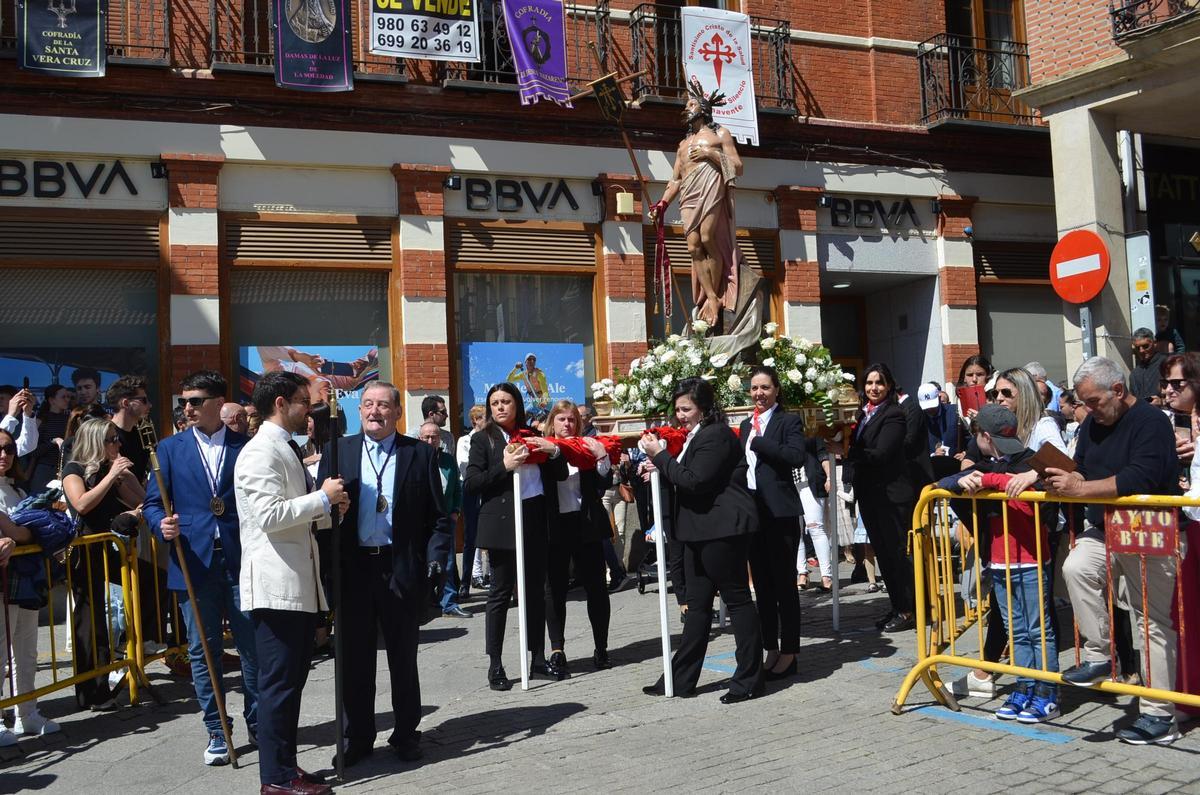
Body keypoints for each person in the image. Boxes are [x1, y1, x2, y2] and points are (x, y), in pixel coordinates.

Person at [1049, 356, 1181, 745]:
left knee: (1150, 623)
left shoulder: (1151, 422)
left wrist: (1079, 489)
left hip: (1149, 531)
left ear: (1118, 391)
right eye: (1083, 403)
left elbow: (1140, 476)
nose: (1086, 410)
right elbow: (1083, 466)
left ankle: (1159, 716)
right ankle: (1099, 655)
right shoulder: (1092, 422)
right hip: (1107, 528)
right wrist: (1062, 475)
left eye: (1092, 402)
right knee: (1075, 568)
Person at [317, 382, 448, 768]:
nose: (375, 411)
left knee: (403, 657)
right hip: (353, 569)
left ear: (397, 413)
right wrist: (326, 570)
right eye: (368, 405)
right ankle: (356, 736)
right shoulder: (337, 452)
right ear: (359, 411)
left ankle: (406, 733)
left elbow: (439, 519)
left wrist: (435, 559)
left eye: (383, 406)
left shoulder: (419, 454)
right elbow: (321, 517)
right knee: (354, 658)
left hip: (400, 567)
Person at [234, 370, 346, 794]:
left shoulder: (284, 448)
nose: (309, 409)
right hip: (275, 585)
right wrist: (322, 498)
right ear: (280, 403)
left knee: (291, 682)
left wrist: (329, 508)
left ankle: (287, 767)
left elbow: (293, 513)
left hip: (297, 583)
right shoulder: (260, 452)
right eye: (303, 400)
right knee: (278, 686)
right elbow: (270, 516)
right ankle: (276, 780)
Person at [143, 371, 258, 767]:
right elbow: (153, 503)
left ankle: (259, 724)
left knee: (251, 647)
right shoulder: (170, 449)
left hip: (242, 558)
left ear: (218, 403)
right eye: (183, 402)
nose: (186, 408)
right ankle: (217, 729)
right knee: (202, 650)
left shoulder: (247, 447)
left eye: (194, 401)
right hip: (193, 560)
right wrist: (161, 523)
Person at [640, 377, 763, 702]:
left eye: (686, 409)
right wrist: (660, 463)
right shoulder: (696, 435)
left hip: (722, 530)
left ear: (705, 409)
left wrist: (661, 457)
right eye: (677, 409)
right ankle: (680, 679)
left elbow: (695, 481)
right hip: (697, 531)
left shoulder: (717, 435)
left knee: (736, 601)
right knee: (696, 609)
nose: (680, 415)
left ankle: (749, 678)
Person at [941, 405, 1060, 723]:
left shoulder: (1030, 458)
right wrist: (962, 481)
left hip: (1032, 558)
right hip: (999, 559)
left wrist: (1002, 478)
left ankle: (1047, 693)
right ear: (982, 437)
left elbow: (1065, 465)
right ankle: (1023, 687)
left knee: (1038, 629)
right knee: (1016, 631)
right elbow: (944, 481)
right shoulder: (981, 464)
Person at [464, 382, 566, 691]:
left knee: (534, 590)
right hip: (503, 523)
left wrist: (554, 450)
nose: (500, 407)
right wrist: (504, 467)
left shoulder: (534, 434)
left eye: (506, 401)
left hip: (535, 517)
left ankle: (536, 658)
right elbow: (472, 483)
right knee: (500, 592)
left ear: (517, 404)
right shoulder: (483, 440)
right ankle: (495, 663)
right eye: (494, 402)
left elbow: (559, 474)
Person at [61, 418, 146, 710]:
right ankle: (90, 690)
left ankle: (113, 673)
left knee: (118, 611)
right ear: (96, 441)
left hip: (111, 550)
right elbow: (81, 504)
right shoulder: (74, 470)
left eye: (117, 439)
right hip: (85, 551)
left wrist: (127, 477)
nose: (117, 444)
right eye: (111, 440)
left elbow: (143, 501)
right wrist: (110, 477)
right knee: (90, 618)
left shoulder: (111, 472)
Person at [649, 78, 744, 331]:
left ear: (703, 108)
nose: (686, 109)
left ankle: (716, 297)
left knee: (707, 236)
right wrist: (662, 204)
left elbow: (737, 166)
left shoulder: (719, 134)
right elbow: (675, 179)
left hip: (711, 188)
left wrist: (710, 154)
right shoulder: (681, 145)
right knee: (693, 247)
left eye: (691, 104)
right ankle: (711, 296)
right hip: (689, 193)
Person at [739, 367, 806, 680]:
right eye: (754, 388)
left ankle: (791, 652)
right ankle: (771, 648)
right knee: (762, 587)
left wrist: (761, 443)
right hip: (755, 514)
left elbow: (795, 456)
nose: (759, 394)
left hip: (781, 514)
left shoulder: (787, 421)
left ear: (777, 390)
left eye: (765, 387)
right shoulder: (744, 425)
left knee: (783, 586)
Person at [542, 400, 614, 676]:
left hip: (586, 523)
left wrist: (601, 458)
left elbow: (603, 483)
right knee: (555, 589)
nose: (567, 424)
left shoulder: (586, 445)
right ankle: (557, 649)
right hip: (556, 525)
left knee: (596, 587)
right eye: (561, 419)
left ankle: (602, 647)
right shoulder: (546, 448)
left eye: (571, 419)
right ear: (552, 422)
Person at [0, 429, 60, 743]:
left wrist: (16, 530)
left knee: (26, 650)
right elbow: (21, 530)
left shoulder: (17, 490)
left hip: (24, 577)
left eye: (9, 449)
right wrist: (19, 529)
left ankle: (27, 713)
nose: (4, 455)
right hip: (3, 581)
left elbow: (23, 531)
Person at [847, 364, 916, 633]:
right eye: (869, 383)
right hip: (871, 495)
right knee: (884, 555)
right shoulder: (864, 414)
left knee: (897, 554)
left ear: (889, 386)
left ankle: (909, 609)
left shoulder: (894, 414)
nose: (873, 388)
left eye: (879, 383)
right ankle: (897, 606)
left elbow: (882, 453)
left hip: (892, 496)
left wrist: (848, 451)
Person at [419, 420, 470, 619]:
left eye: (434, 437)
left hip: (444, 518)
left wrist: (455, 510)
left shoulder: (448, 461)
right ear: (420, 438)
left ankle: (449, 602)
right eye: (427, 437)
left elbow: (457, 488)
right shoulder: (414, 459)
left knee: (447, 563)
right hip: (421, 520)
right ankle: (424, 602)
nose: (431, 440)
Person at [455, 405, 488, 599]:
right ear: (475, 420)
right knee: (470, 538)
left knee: (492, 535)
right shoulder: (465, 440)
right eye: (483, 417)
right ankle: (465, 583)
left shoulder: (493, 438)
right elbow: (465, 466)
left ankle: (490, 577)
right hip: (472, 491)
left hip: (489, 489)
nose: (487, 421)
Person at [796, 435, 833, 591]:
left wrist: (830, 477)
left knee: (815, 528)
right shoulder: (781, 438)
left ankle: (826, 576)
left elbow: (824, 457)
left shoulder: (810, 439)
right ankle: (802, 573)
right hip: (789, 486)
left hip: (810, 484)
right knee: (794, 531)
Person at [106, 375, 152, 483]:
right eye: (144, 400)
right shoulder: (107, 434)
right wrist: (149, 499)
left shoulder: (142, 433)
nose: (150, 405)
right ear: (126, 403)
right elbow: (125, 476)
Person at [919, 381, 960, 477]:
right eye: (926, 406)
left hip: (956, 468)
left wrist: (965, 453)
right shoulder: (919, 418)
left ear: (938, 398)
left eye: (932, 405)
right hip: (932, 471)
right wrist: (932, 455)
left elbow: (968, 437)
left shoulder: (955, 412)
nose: (929, 409)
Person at [1130, 328, 1169, 404]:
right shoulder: (1134, 374)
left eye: (1145, 346)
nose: (1141, 350)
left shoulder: (1168, 363)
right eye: (1138, 348)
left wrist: (1162, 402)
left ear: (1154, 343)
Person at [0, 385, 39, 459]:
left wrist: (28, 414)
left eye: (2, 398)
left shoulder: (22, 419)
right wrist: (11, 415)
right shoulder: (10, 418)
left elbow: (27, 445)